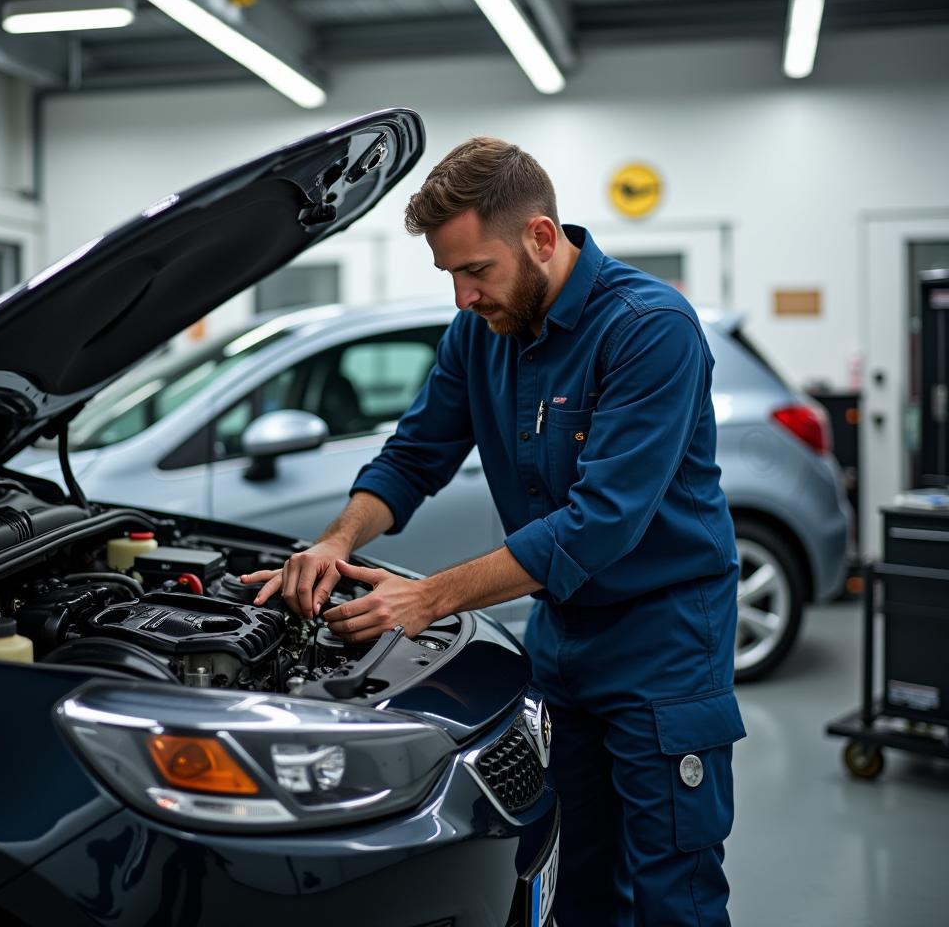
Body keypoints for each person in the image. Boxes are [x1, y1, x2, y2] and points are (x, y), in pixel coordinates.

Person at [242, 137, 745, 926]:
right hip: (561, 643)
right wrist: (337, 540)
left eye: (477, 271)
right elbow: (412, 457)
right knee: (571, 882)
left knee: (671, 894)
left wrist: (426, 599)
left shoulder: (650, 330)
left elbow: (597, 527)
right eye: (449, 275)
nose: (462, 297)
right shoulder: (482, 335)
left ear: (542, 238)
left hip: (666, 649)